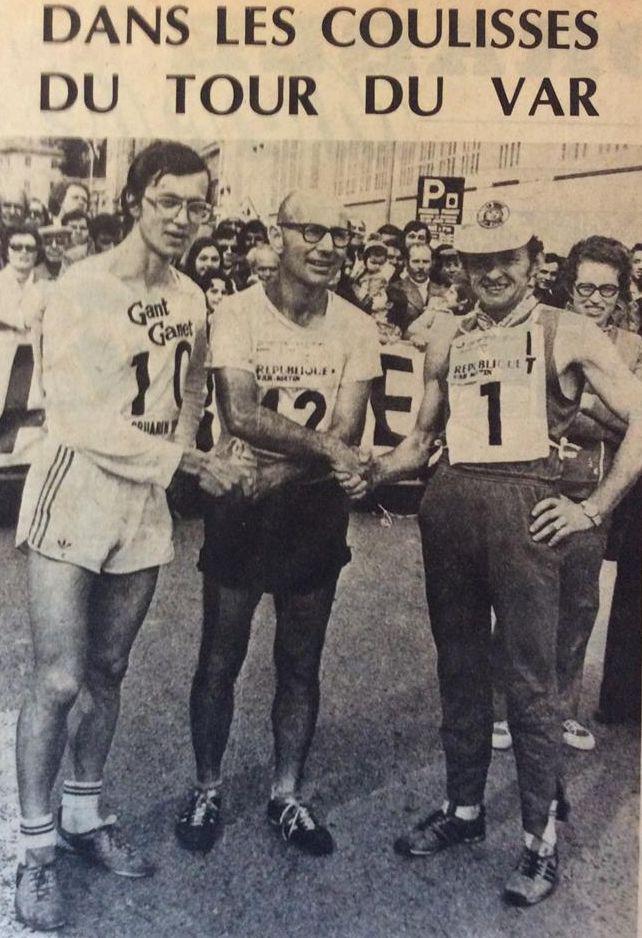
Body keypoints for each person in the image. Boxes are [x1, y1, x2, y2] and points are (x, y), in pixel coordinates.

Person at [350, 197, 642, 907]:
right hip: (451, 506)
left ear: (533, 261)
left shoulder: (567, 329)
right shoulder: (449, 335)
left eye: (507, 259)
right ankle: (463, 809)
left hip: (525, 512)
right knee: (458, 666)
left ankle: (540, 840)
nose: (493, 273)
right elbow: (421, 440)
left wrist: (594, 508)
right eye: (478, 261)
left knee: (531, 684)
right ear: (463, 267)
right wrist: (371, 471)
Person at [13, 140, 252, 932]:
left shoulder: (191, 295)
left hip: (142, 498)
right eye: (167, 202)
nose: (182, 218)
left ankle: (83, 818)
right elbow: (79, 419)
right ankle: (33, 853)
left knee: (109, 670)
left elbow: (190, 389)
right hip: (77, 489)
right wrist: (187, 461)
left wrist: (177, 457)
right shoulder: (81, 288)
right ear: (134, 201)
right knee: (57, 680)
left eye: (196, 204)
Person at [176, 189, 381, 858]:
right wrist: (322, 452)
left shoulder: (356, 325)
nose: (326, 247)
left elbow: (348, 424)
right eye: (311, 231)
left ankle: (287, 794)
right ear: (278, 235)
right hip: (242, 505)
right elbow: (239, 412)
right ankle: (207, 786)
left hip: (310, 507)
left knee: (300, 660)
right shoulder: (236, 312)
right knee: (221, 654)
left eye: (339, 236)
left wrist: (284, 472)